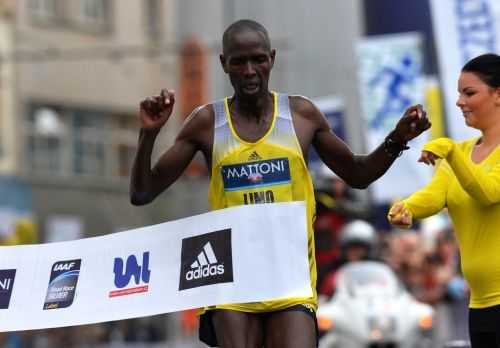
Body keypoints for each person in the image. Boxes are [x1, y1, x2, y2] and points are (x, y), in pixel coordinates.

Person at [130, 19, 430, 348]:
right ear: (223, 64)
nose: (249, 70)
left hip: (289, 279)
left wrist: (397, 138)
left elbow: (358, 174)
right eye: (238, 61)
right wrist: (148, 133)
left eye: (257, 59)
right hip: (232, 280)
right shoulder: (206, 123)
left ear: (271, 58)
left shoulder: (301, 115)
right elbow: (143, 192)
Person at [388, 53, 500, 348]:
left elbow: (488, 192)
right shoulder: (459, 153)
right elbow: (435, 195)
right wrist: (406, 208)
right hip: (479, 305)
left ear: (498, 94)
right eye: (459, 93)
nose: (460, 101)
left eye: (469, 92)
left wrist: (449, 150)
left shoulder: (455, 153)